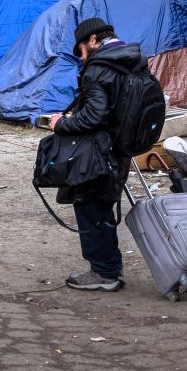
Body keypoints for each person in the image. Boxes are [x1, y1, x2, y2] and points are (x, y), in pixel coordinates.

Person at [48, 17, 144, 292]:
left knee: (89, 204)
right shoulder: (132, 60)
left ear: (92, 40)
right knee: (101, 204)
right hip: (122, 148)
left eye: (80, 48)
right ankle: (109, 265)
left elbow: (94, 115)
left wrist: (61, 123)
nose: (80, 56)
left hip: (98, 150)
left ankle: (103, 272)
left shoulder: (100, 68)